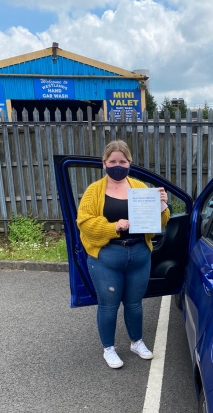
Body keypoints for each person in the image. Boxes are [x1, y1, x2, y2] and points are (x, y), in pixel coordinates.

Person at [77, 140, 170, 369]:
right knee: (108, 305)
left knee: (134, 303)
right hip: (107, 256)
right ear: (104, 163)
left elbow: (158, 223)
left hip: (139, 254)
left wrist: (163, 207)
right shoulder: (94, 191)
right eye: (112, 161)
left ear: (129, 163)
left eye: (122, 161)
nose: (117, 165)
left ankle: (136, 342)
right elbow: (84, 222)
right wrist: (112, 226)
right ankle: (109, 349)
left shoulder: (140, 189)